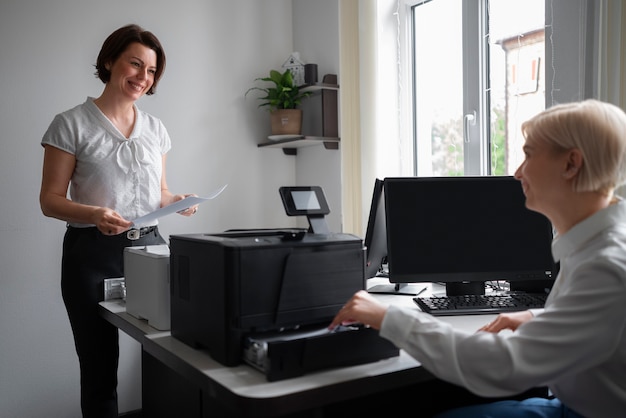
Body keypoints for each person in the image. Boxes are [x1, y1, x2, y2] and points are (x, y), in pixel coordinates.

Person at [330, 99, 626, 418]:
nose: (517, 173)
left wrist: (387, 318)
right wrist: (535, 319)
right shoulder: (594, 244)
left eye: (528, 155)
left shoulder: (605, 267)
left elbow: (501, 366)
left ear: (570, 164)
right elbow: (601, 325)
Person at [39, 24, 198, 418]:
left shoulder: (156, 129)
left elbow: (156, 192)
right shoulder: (71, 123)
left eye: (151, 71)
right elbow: (50, 200)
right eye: (135, 64)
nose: (142, 78)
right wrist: (94, 214)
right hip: (91, 254)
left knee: (167, 352)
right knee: (98, 364)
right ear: (109, 61)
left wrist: (176, 200)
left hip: (150, 247)